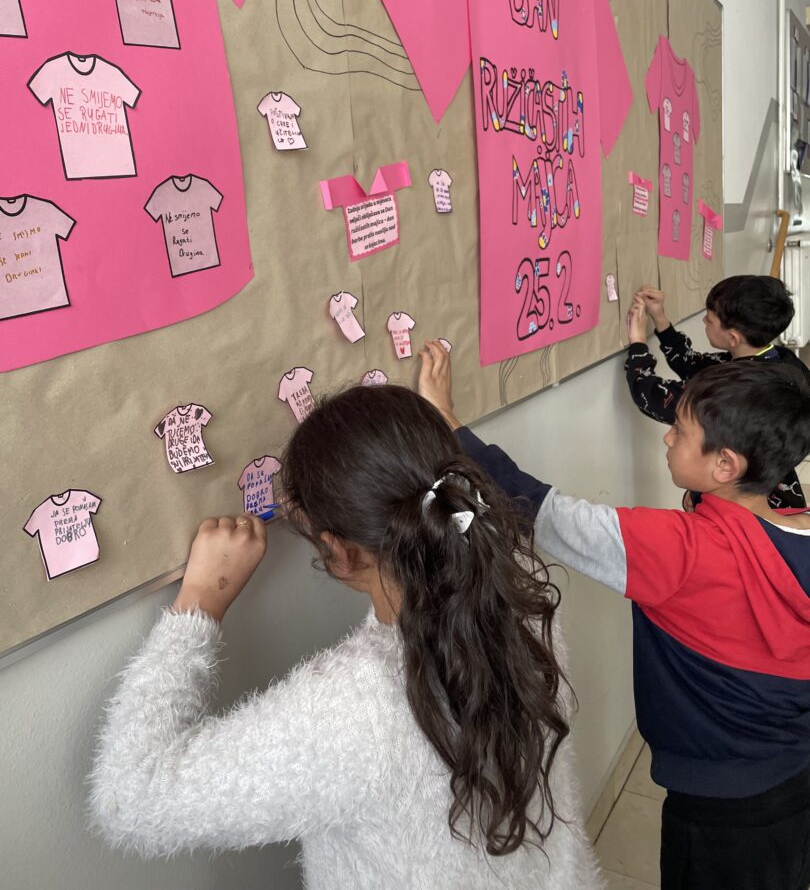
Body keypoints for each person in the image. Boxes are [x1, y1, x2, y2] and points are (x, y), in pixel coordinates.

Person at [89, 384, 603, 890]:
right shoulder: (520, 591)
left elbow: (130, 798)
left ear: (339, 552)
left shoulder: (357, 708)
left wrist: (200, 603)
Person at [418, 340, 810, 890]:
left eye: (680, 431)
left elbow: (536, 508)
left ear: (726, 464)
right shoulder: (798, 527)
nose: (667, 438)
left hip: (718, 809)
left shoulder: (679, 550)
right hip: (794, 777)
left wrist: (446, 420)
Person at [626, 275, 807, 509]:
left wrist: (638, 343)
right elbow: (690, 363)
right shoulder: (776, 360)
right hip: (771, 486)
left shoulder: (733, 395)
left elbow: (650, 394)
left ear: (733, 337)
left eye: (709, 319)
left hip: (744, 506)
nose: (703, 320)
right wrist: (660, 319)